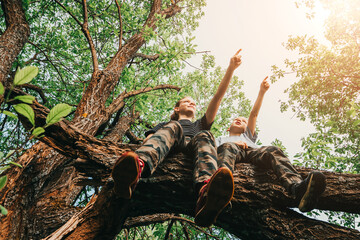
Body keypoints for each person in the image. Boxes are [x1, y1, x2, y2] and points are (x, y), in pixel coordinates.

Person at [111, 49, 243, 227]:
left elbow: (217, 98)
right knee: (173, 126)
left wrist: (231, 68)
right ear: (176, 108)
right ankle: (134, 173)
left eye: (194, 103)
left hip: (195, 148)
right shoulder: (166, 125)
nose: (192, 103)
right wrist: (133, 159)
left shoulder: (200, 125)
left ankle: (206, 192)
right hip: (173, 143)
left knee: (206, 135)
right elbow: (149, 140)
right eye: (186, 101)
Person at [215, 76, 326, 212]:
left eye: (243, 121)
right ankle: (221, 190)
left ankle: (297, 189)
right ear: (228, 128)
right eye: (236, 119)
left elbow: (254, 114)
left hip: (251, 154)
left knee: (272, 150)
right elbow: (211, 152)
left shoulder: (247, 136)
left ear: (246, 128)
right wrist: (234, 144)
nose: (239, 120)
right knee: (228, 147)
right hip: (230, 152)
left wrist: (262, 92)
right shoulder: (221, 140)